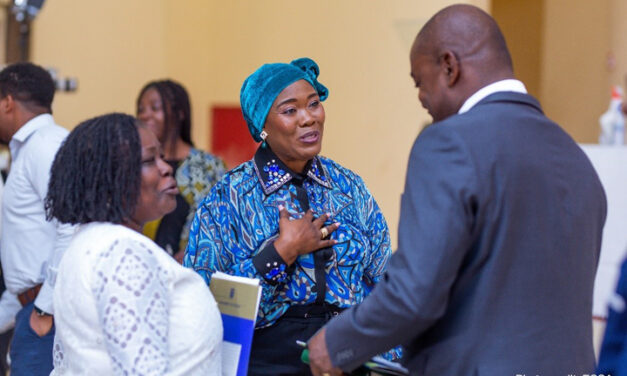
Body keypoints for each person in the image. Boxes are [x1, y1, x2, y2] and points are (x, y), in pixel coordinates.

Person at [307, 4, 607, 375]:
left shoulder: (449, 144)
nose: (421, 99)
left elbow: (413, 294)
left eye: (420, 82)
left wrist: (336, 344)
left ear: (449, 66)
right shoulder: (575, 158)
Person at [184, 57, 397, 375]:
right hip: (266, 363)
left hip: (347, 358)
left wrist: (393, 360)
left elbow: (384, 280)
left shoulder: (349, 187)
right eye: (290, 110)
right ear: (263, 127)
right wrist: (280, 253)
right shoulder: (228, 199)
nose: (309, 119)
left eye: (314, 104)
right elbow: (203, 307)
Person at [45, 113, 222, 375]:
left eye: (162, 156)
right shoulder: (122, 253)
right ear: (107, 180)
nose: (166, 168)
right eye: (150, 160)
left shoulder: (88, 241)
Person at [0, 62, 74, 376]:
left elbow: (72, 225)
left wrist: (45, 307)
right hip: (31, 307)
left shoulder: (46, 144)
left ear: (7, 102)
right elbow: (28, 256)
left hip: (48, 312)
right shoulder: (30, 147)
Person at [137, 80, 226, 261]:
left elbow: (224, 223)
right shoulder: (134, 164)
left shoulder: (209, 166)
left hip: (193, 270)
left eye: (155, 108)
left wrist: (194, 252)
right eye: (141, 109)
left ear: (179, 114)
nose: (145, 116)